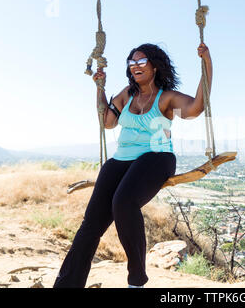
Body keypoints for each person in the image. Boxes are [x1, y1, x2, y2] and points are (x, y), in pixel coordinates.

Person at [53, 42, 212, 288]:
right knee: (90, 225)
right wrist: (99, 88)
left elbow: (195, 108)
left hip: (156, 158)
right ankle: (66, 285)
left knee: (123, 201)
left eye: (141, 62)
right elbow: (107, 122)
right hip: (121, 160)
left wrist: (207, 63)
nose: (135, 67)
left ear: (155, 67)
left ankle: (136, 280)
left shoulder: (166, 98)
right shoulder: (126, 94)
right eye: (132, 63)